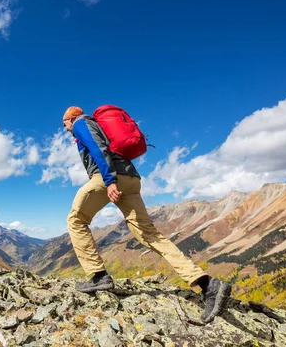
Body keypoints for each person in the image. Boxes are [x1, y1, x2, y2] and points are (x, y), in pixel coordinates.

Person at [63, 106, 231, 323]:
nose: (65, 127)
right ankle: (208, 284)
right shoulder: (92, 124)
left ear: (71, 118)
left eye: (64, 122)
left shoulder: (80, 124)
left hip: (108, 177)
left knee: (76, 220)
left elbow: (97, 147)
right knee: (150, 235)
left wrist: (109, 180)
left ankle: (98, 276)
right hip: (131, 179)